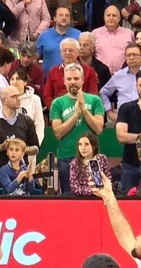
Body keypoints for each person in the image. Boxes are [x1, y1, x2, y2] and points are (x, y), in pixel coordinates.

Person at [51, 64, 106, 195]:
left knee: (96, 192)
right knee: (69, 196)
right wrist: (75, 115)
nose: (72, 82)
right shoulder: (57, 103)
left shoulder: (95, 100)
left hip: (93, 159)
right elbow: (57, 133)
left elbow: (99, 129)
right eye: (69, 79)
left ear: (82, 79)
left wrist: (84, 110)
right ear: (64, 81)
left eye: (76, 78)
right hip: (66, 157)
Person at [35, 6, 81, 71]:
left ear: (70, 19)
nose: (64, 18)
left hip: (72, 79)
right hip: (49, 79)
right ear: (54, 18)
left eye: (67, 15)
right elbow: (35, 58)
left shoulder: (78, 35)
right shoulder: (43, 36)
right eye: (61, 15)